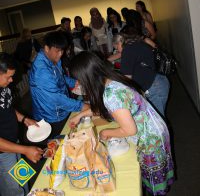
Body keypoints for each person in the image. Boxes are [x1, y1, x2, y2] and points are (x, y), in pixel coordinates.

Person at [68, 51, 174, 195]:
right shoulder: (110, 79)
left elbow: (129, 130)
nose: (78, 83)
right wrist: (81, 115)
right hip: (153, 125)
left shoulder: (111, 95)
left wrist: (106, 133)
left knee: (154, 184)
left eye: (79, 80)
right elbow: (108, 108)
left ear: (88, 77)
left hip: (150, 137)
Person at [29, 31, 89, 138]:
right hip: (50, 115)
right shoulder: (41, 72)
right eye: (57, 51)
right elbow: (56, 99)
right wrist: (81, 106)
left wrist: (74, 82)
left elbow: (60, 78)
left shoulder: (53, 59)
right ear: (47, 48)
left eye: (62, 50)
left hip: (61, 108)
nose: (61, 54)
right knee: (60, 142)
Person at [0, 52, 43, 196]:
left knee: (23, 182)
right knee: (14, 191)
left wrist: (24, 119)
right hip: (3, 154)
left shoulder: (4, 87)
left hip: (14, 144)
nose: (12, 80)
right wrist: (24, 150)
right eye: (8, 77)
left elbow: (8, 108)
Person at [116, 24, 170, 117]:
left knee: (157, 123)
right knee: (157, 120)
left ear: (121, 41)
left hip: (154, 87)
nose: (116, 49)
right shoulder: (140, 44)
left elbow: (127, 79)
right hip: (159, 83)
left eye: (116, 46)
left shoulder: (128, 50)